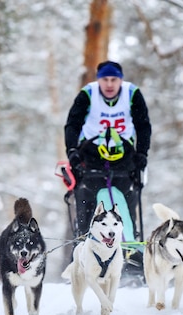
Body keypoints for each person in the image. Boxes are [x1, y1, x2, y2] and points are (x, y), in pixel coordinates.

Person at [64, 60, 152, 239]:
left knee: (127, 201)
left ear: (121, 80)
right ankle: (84, 240)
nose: (110, 84)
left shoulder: (132, 93)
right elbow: (73, 124)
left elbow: (143, 125)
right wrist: (72, 151)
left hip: (123, 155)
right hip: (91, 153)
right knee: (88, 198)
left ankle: (129, 245)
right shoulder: (88, 94)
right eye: (105, 80)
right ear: (98, 80)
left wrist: (142, 153)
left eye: (114, 80)